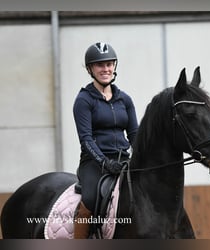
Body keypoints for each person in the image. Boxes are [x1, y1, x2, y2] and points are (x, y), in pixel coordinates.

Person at [72, 42, 138, 238]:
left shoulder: (124, 99)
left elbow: (134, 134)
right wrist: (104, 162)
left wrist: (143, 156)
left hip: (123, 160)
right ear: (90, 69)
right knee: (91, 199)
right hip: (94, 163)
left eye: (109, 64)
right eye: (100, 65)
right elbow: (86, 139)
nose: (106, 69)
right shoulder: (84, 100)